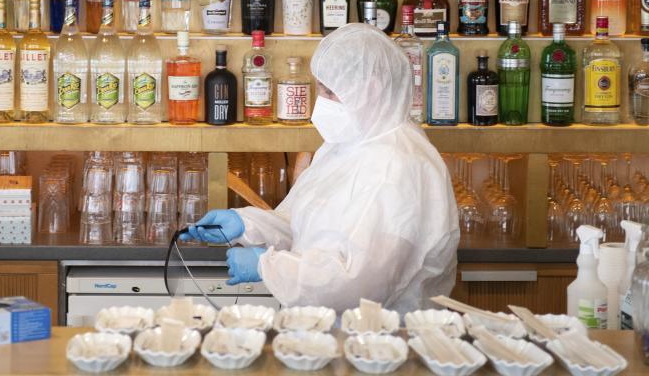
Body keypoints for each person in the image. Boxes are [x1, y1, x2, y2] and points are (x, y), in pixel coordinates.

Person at [183, 23, 459, 314]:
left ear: (370, 90)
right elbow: (302, 223)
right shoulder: (345, 143)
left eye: (330, 92)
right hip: (332, 332)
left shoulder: (398, 166)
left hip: (384, 339)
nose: (321, 102)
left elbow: (361, 284)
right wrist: (246, 224)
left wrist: (268, 264)